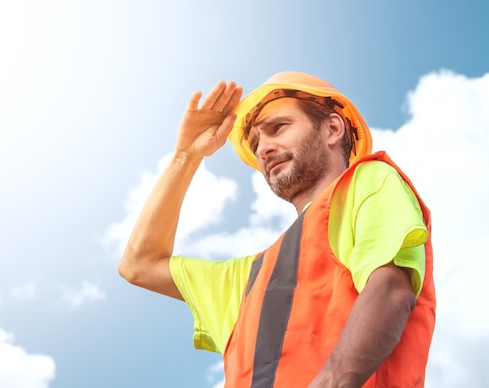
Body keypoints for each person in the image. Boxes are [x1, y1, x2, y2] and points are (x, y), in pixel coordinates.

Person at [118, 71, 436, 388]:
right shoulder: (246, 279)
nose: (262, 149)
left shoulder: (369, 182)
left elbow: (391, 289)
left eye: (277, 128)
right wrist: (186, 156)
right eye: (256, 142)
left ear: (332, 128)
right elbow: (139, 265)